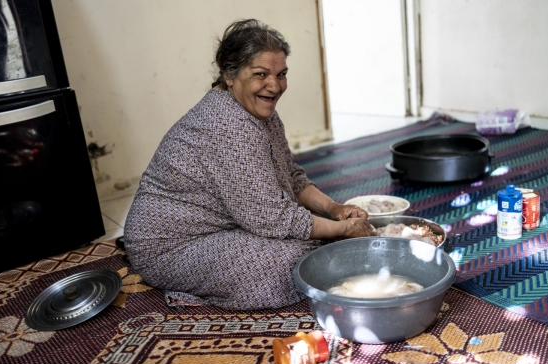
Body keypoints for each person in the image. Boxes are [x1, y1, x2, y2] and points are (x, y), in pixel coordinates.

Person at [124, 19, 374, 310]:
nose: (274, 85)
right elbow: (272, 218)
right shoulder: (227, 125)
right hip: (171, 246)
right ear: (230, 75)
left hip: (227, 226)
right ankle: (186, 289)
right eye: (261, 74)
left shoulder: (261, 113)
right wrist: (341, 230)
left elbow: (291, 178)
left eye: (281, 74)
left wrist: (334, 209)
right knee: (292, 262)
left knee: (313, 247)